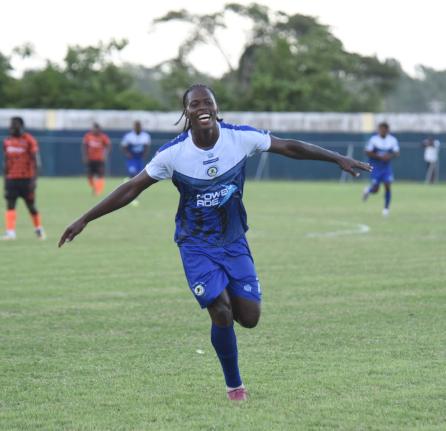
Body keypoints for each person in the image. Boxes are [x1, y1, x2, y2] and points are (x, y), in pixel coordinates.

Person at [59, 84, 371, 401]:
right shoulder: (173, 154)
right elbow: (131, 188)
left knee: (249, 318)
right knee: (220, 310)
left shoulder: (240, 138)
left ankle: (225, 308)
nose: (202, 107)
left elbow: (289, 147)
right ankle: (235, 386)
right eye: (195, 104)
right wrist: (84, 218)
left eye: (208, 102)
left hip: (234, 240)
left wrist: (337, 159)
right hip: (195, 244)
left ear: (216, 108)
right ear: (187, 113)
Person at [2, 116, 45, 240]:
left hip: (26, 179)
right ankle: (10, 232)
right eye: (10, 125)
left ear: (21, 126)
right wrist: (5, 180)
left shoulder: (29, 140)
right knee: (10, 204)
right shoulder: (7, 141)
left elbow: (36, 161)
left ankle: (38, 229)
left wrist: (34, 180)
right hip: (11, 179)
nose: (11, 127)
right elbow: (6, 162)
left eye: (14, 125)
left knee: (31, 205)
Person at [362, 122, 399, 216]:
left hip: (386, 167)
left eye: (384, 129)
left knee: (387, 185)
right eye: (380, 129)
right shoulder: (374, 139)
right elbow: (367, 151)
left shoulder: (392, 140)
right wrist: (378, 156)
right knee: (376, 189)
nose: (382, 131)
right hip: (375, 167)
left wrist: (389, 156)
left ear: (387, 130)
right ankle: (368, 191)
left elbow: (397, 153)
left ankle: (386, 209)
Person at [82, 123, 111, 196]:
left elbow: (108, 146)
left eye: (95, 129)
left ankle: (98, 191)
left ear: (99, 129)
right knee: (89, 175)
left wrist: (105, 155)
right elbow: (84, 146)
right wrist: (85, 156)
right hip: (90, 159)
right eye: (93, 129)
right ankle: (94, 187)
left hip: (99, 160)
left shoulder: (103, 137)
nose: (94, 130)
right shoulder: (88, 136)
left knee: (100, 175)